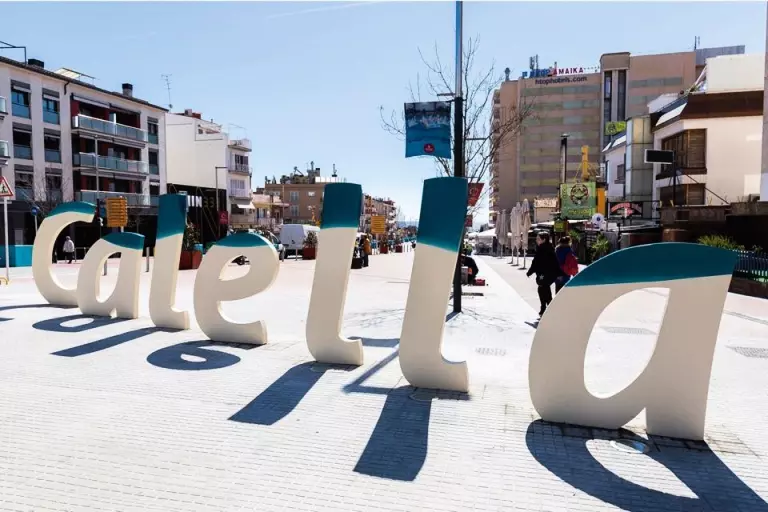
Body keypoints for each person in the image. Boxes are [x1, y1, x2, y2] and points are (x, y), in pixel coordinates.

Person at [526, 232, 562, 316]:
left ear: (544, 240)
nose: (536, 240)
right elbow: (555, 262)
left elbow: (535, 262)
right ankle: (547, 308)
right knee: (544, 289)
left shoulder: (542, 249)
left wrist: (530, 272)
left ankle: (546, 308)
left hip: (544, 274)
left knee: (542, 289)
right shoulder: (549, 248)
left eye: (538, 239)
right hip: (548, 274)